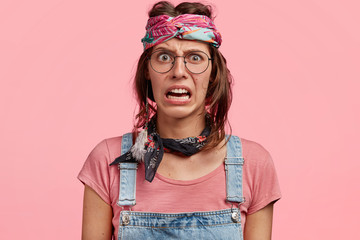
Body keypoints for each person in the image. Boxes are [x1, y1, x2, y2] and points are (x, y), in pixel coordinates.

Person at [78, 1, 281, 239]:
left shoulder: (253, 165)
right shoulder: (107, 161)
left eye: (195, 58)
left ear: (213, 72)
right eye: (164, 56)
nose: (179, 71)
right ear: (147, 70)